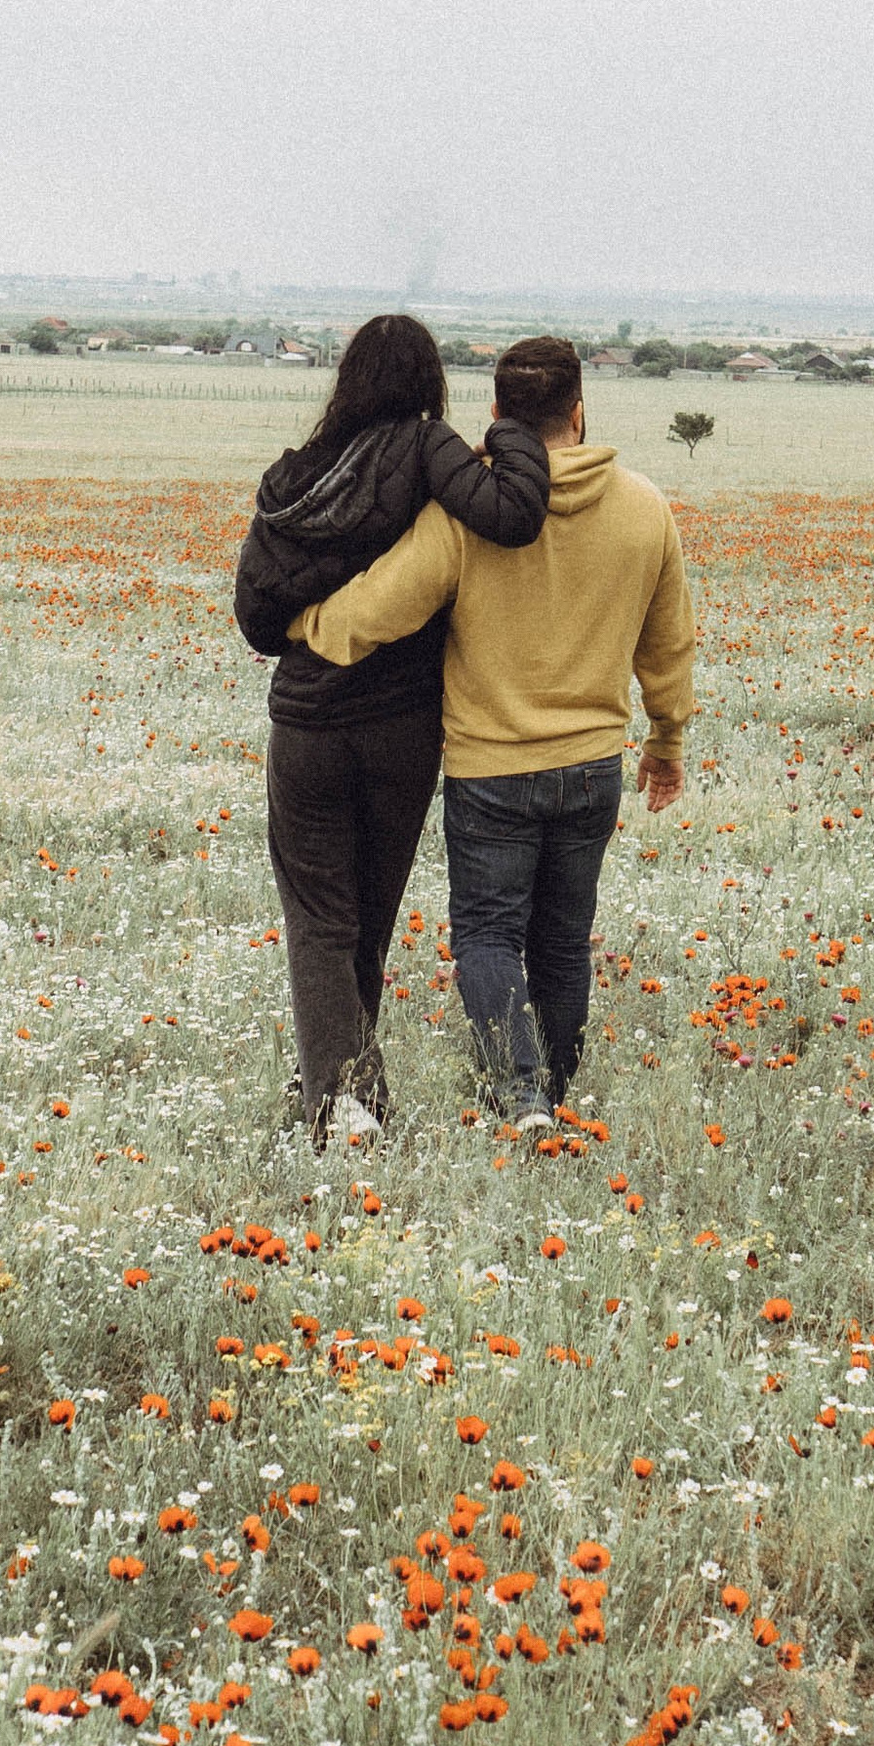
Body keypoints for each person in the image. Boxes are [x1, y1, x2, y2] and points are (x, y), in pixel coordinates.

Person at [290, 333, 692, 1125]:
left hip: (491, 769)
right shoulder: (646, 510)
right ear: (580, 413)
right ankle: (553, 1091)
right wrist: (666, 742)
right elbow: (668, 644)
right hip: (592, 766)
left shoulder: (468, 513)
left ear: (500, 413)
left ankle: (520, 1093)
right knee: (564, 942)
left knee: (486, 937)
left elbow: (380, 607)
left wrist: (302, 622)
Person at [234, 314, 551, 1146]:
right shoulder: (425, 447)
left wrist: (314, 611)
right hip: (401, 729)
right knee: (367, 918)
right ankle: (348, 1098)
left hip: (308, 723)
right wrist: (513, 432)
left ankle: (343, 1102)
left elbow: (256, 620)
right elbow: (514, 514)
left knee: (318, 917)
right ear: (427, 382)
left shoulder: (293, 477)